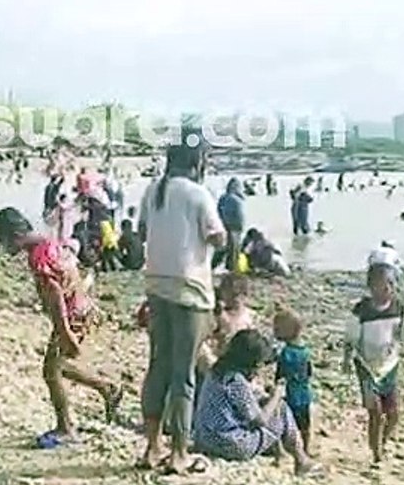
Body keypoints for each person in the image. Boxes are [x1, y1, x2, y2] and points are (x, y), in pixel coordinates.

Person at [0, 207, 121, 447]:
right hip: (83, 310)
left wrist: (65, 332)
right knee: (57, 366)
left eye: (3, 241)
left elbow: (55, 293)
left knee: (51, 371)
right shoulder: (49, 243)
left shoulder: (38, 256)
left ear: (14, 236)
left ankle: (66, 428)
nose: (3, 247)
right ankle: (106, 388)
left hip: (71, 317)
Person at [136, 135, 225, 475]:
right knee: (183, 375)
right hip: (190, 293)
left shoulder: (153, 189)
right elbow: (217, 236)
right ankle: (178, 453)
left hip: (157, 287)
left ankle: (151, 445)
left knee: (157, 366)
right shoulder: (198, 194)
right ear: (197, 161)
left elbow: (144, 231)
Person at [191, 329, 319, 476]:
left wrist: (267, 398)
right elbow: (259, 420)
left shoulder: (217, 371)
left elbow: (245, 403)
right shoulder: (236, 380)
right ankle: (300, 459)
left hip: (204, 437)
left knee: (270, 405)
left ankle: (281, 454)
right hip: (228, 443)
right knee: (281, 409)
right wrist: (277, 395)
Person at [344, 263, 404, 466]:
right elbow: (350, 339)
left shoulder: (399, 306)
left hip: (389, 364)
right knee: (375, 411)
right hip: (366, 365)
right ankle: (376, 452)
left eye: (392, 284)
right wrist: (347, 360)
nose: (389, 289)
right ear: (372, 286)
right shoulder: (362, 310)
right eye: (385, 284)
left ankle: (383, 440)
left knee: (393, 413)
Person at [273, 309, 315, 453]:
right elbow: (309, 372)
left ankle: (284, 449)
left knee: (285, 422)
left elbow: (281, 374)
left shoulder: (286, 353)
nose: (274, 332)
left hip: (289, 394)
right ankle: (306, 447)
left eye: (277, 329)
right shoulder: (305, 351)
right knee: (305, 424)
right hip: (304, 394)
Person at [216, 177, 246, 272]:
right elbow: (223, 211)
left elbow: (219, 211)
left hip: (232, 227)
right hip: (232, 227)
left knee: (230, 249)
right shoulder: (231, 198)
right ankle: (230, 268)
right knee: (232, 249)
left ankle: (229, 267)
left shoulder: (230, 197)